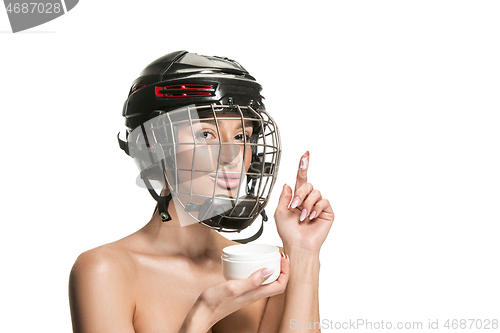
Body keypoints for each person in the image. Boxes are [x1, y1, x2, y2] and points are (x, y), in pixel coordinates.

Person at [68, 51, 334, 333]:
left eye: (242, 136)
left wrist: (304, 254)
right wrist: (202, 315)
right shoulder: (105, 271)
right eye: (205, 134)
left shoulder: (268, 266)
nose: (232, 154)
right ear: (153, 146)